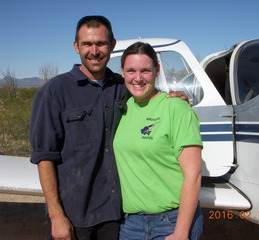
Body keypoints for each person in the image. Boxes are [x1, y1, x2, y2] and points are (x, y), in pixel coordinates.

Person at [29, 16, 187, 240]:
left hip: (114, 215)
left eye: (101, 44)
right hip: (74, 215)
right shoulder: (54, 92)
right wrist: (56, 216)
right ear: (76, 47)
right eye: (87, 44)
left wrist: (175, 97)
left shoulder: (122, 86)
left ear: (112, 45)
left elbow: (147, 92)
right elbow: (44, 156)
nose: (94, 51)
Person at [113, 42, 203, 240]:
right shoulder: (123, 108)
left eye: (145, 70)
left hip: (171, 222)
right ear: (122, 72)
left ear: (157, 70)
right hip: (130, 224)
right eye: (131, 71)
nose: (138, 78)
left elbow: (194, 176)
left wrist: (180, 232)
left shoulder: (176, 109)